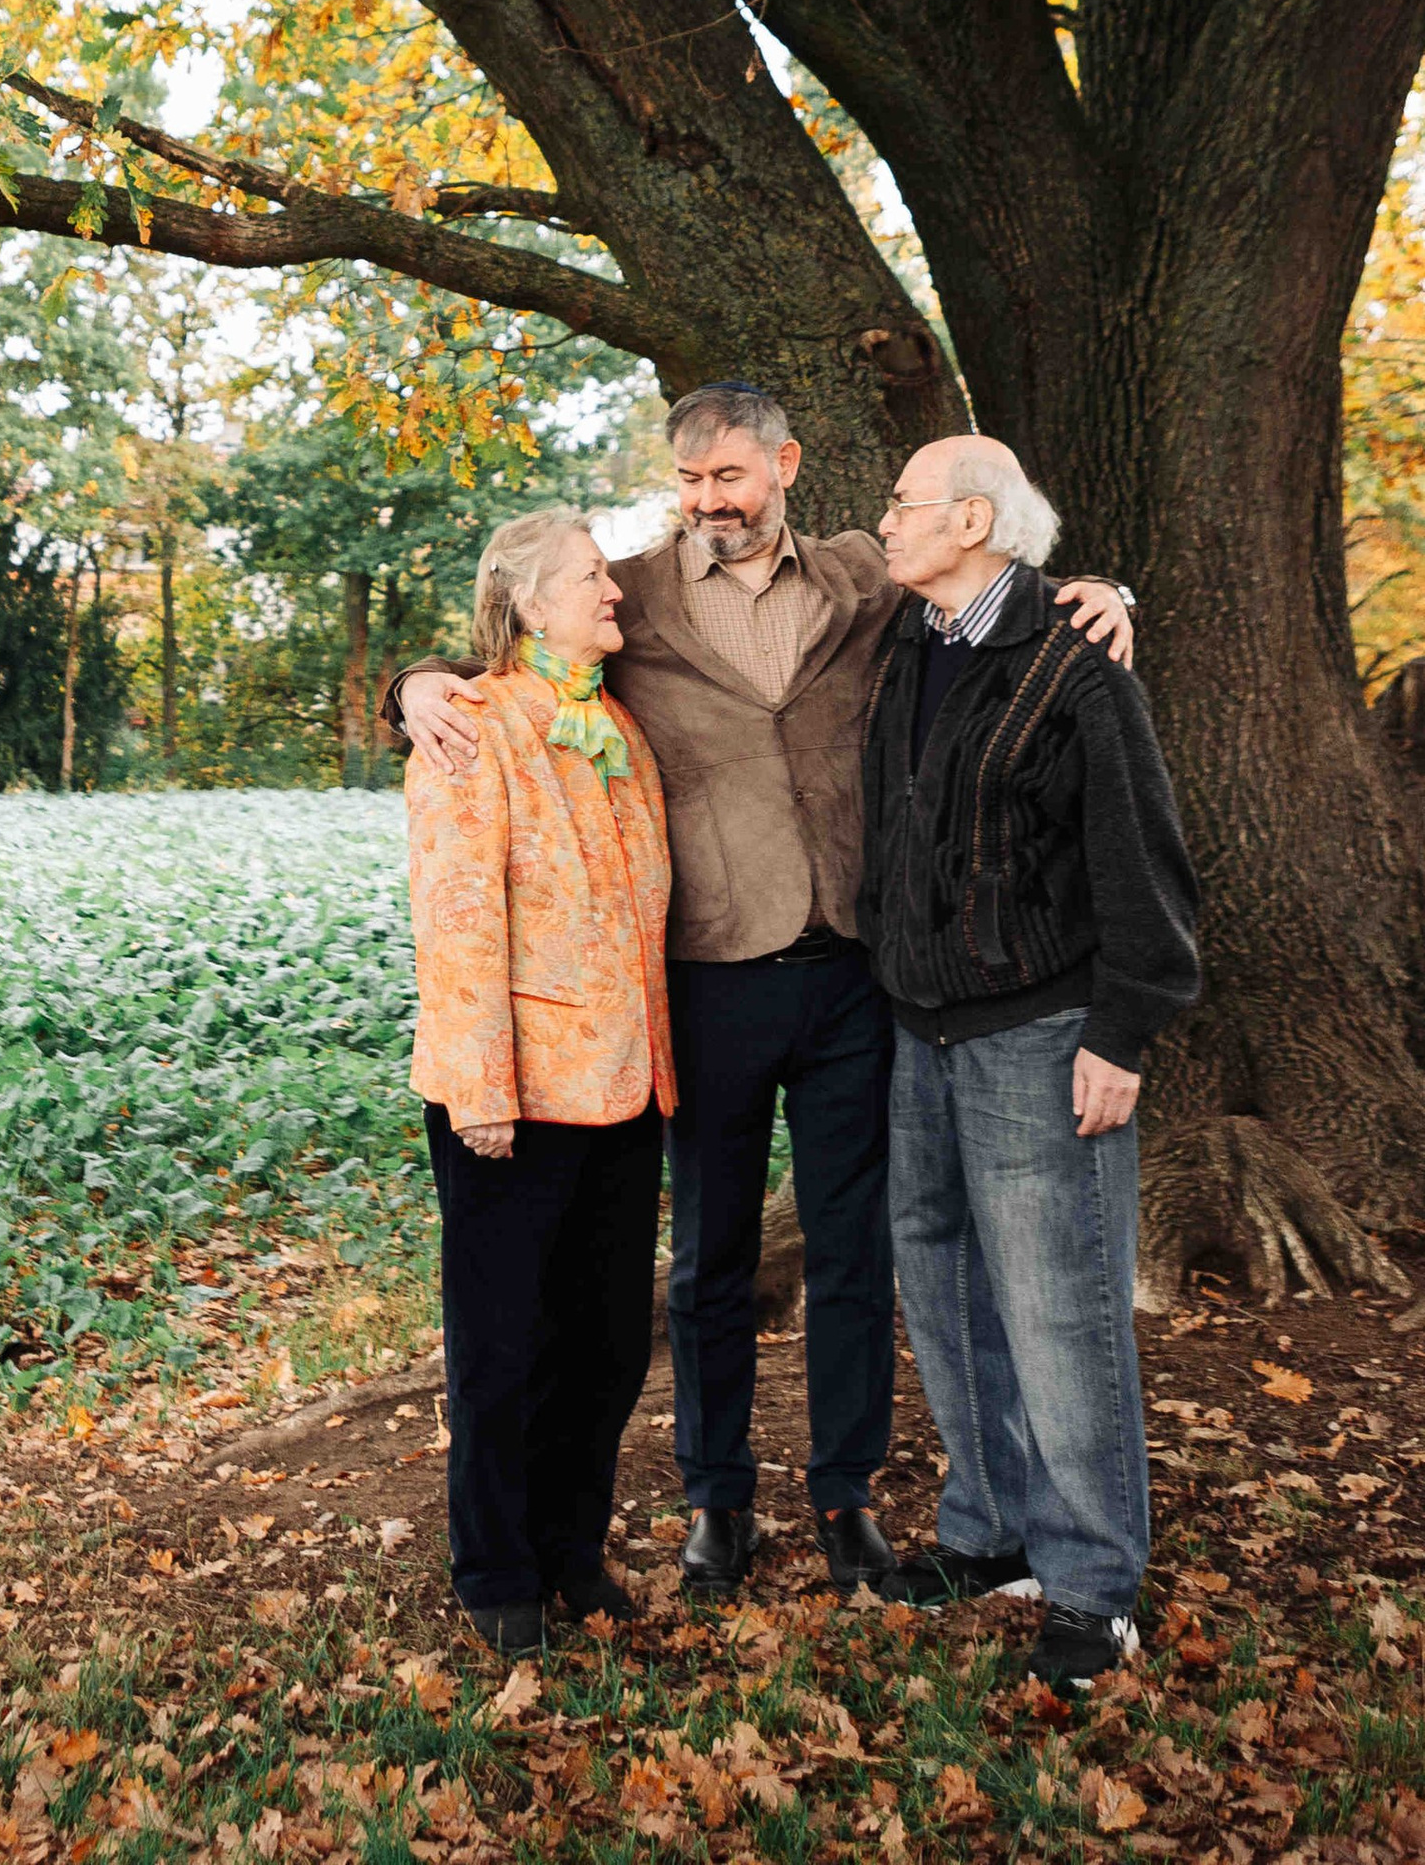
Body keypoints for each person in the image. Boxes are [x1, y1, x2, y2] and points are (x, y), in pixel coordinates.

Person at [387, 384, 1132, 1599]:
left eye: (729, 477)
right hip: (705, 983)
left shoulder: (862, 577)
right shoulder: (630, 598)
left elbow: (986, 578)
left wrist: (1108, 594)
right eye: (687, 483)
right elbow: (510, 650)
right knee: (709, 1258)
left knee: (854, 1253)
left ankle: (843, 1495)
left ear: (782, 465)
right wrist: (413, 683)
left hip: (850, 972)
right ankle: (713, 1500)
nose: (708, 503)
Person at [864, 436, 1199, 1695]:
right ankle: (990, 1533)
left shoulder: (1076, 663)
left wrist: (1120, 1034)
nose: (881, 523)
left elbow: (1142, 863)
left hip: (1039, 1036)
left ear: (969, 520)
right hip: (918, 1029)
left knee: (1060, 1315)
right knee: (946, 1298)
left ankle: (1091, 1586)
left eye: (899, 504)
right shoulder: (907, 640)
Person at [406, 506, 677, 1659]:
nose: (613, 593)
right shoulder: (478, 725)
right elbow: (459, 919)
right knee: (504, 1347)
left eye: (609, 576)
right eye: (589, 579)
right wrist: (480, 1092)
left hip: (624, 1090)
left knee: (608, 1344)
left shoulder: (616, 724)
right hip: (508, 1099)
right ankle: (497, 1566)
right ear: (525, 603)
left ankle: (574, 1550)